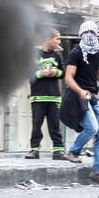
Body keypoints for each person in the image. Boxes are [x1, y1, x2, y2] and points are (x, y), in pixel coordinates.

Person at [63, 20, 99, 183]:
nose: (89, 35)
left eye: (92, 32)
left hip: (92, 97)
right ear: (81, 34)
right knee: (92, 128)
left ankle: (98, 171)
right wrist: (80, 91)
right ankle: (73, 151)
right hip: (78, 98)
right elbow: (68, 78)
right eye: (86, 33)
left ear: (96, 34)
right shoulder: (76, 52)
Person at [25, 28, 67, 160]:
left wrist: (56, 73)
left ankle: (58, 151)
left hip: (54, 97)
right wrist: (41, 73)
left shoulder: (57, 56)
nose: (59, 41)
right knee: (36, 125)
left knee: (55, 125)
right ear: (48, 39)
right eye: (57, 38)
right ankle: (34, 150)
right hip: (38, 97)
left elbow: (64, 73)